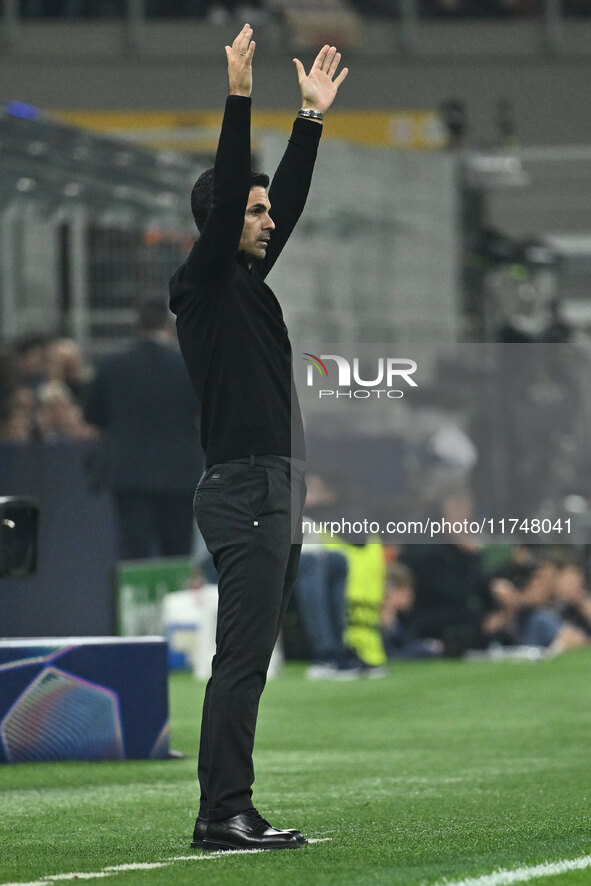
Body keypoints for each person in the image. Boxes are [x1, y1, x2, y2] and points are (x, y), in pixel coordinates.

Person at [168, 24, 348, 851]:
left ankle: (227, 808)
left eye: (267, 206)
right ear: (217, 220)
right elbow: (236, 183)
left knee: (251, 657)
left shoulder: (242, 283)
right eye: (254, 206)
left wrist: (309, 120)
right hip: (243, 487)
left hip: (272, 484)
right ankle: (221, 814)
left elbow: (294, 203)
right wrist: (240, 97)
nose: (270, 217)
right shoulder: (201, 282)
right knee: (242, 659)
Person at [84, 298, 201, 559]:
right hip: (180, 473)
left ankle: (134, 600)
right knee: (177, 550)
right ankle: (174, 598)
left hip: (129, 472)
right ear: (168, 327)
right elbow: (203, 412)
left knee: (133, 550)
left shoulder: (112, 365)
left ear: (137, 325)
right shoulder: (188, 366)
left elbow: (92, 414)